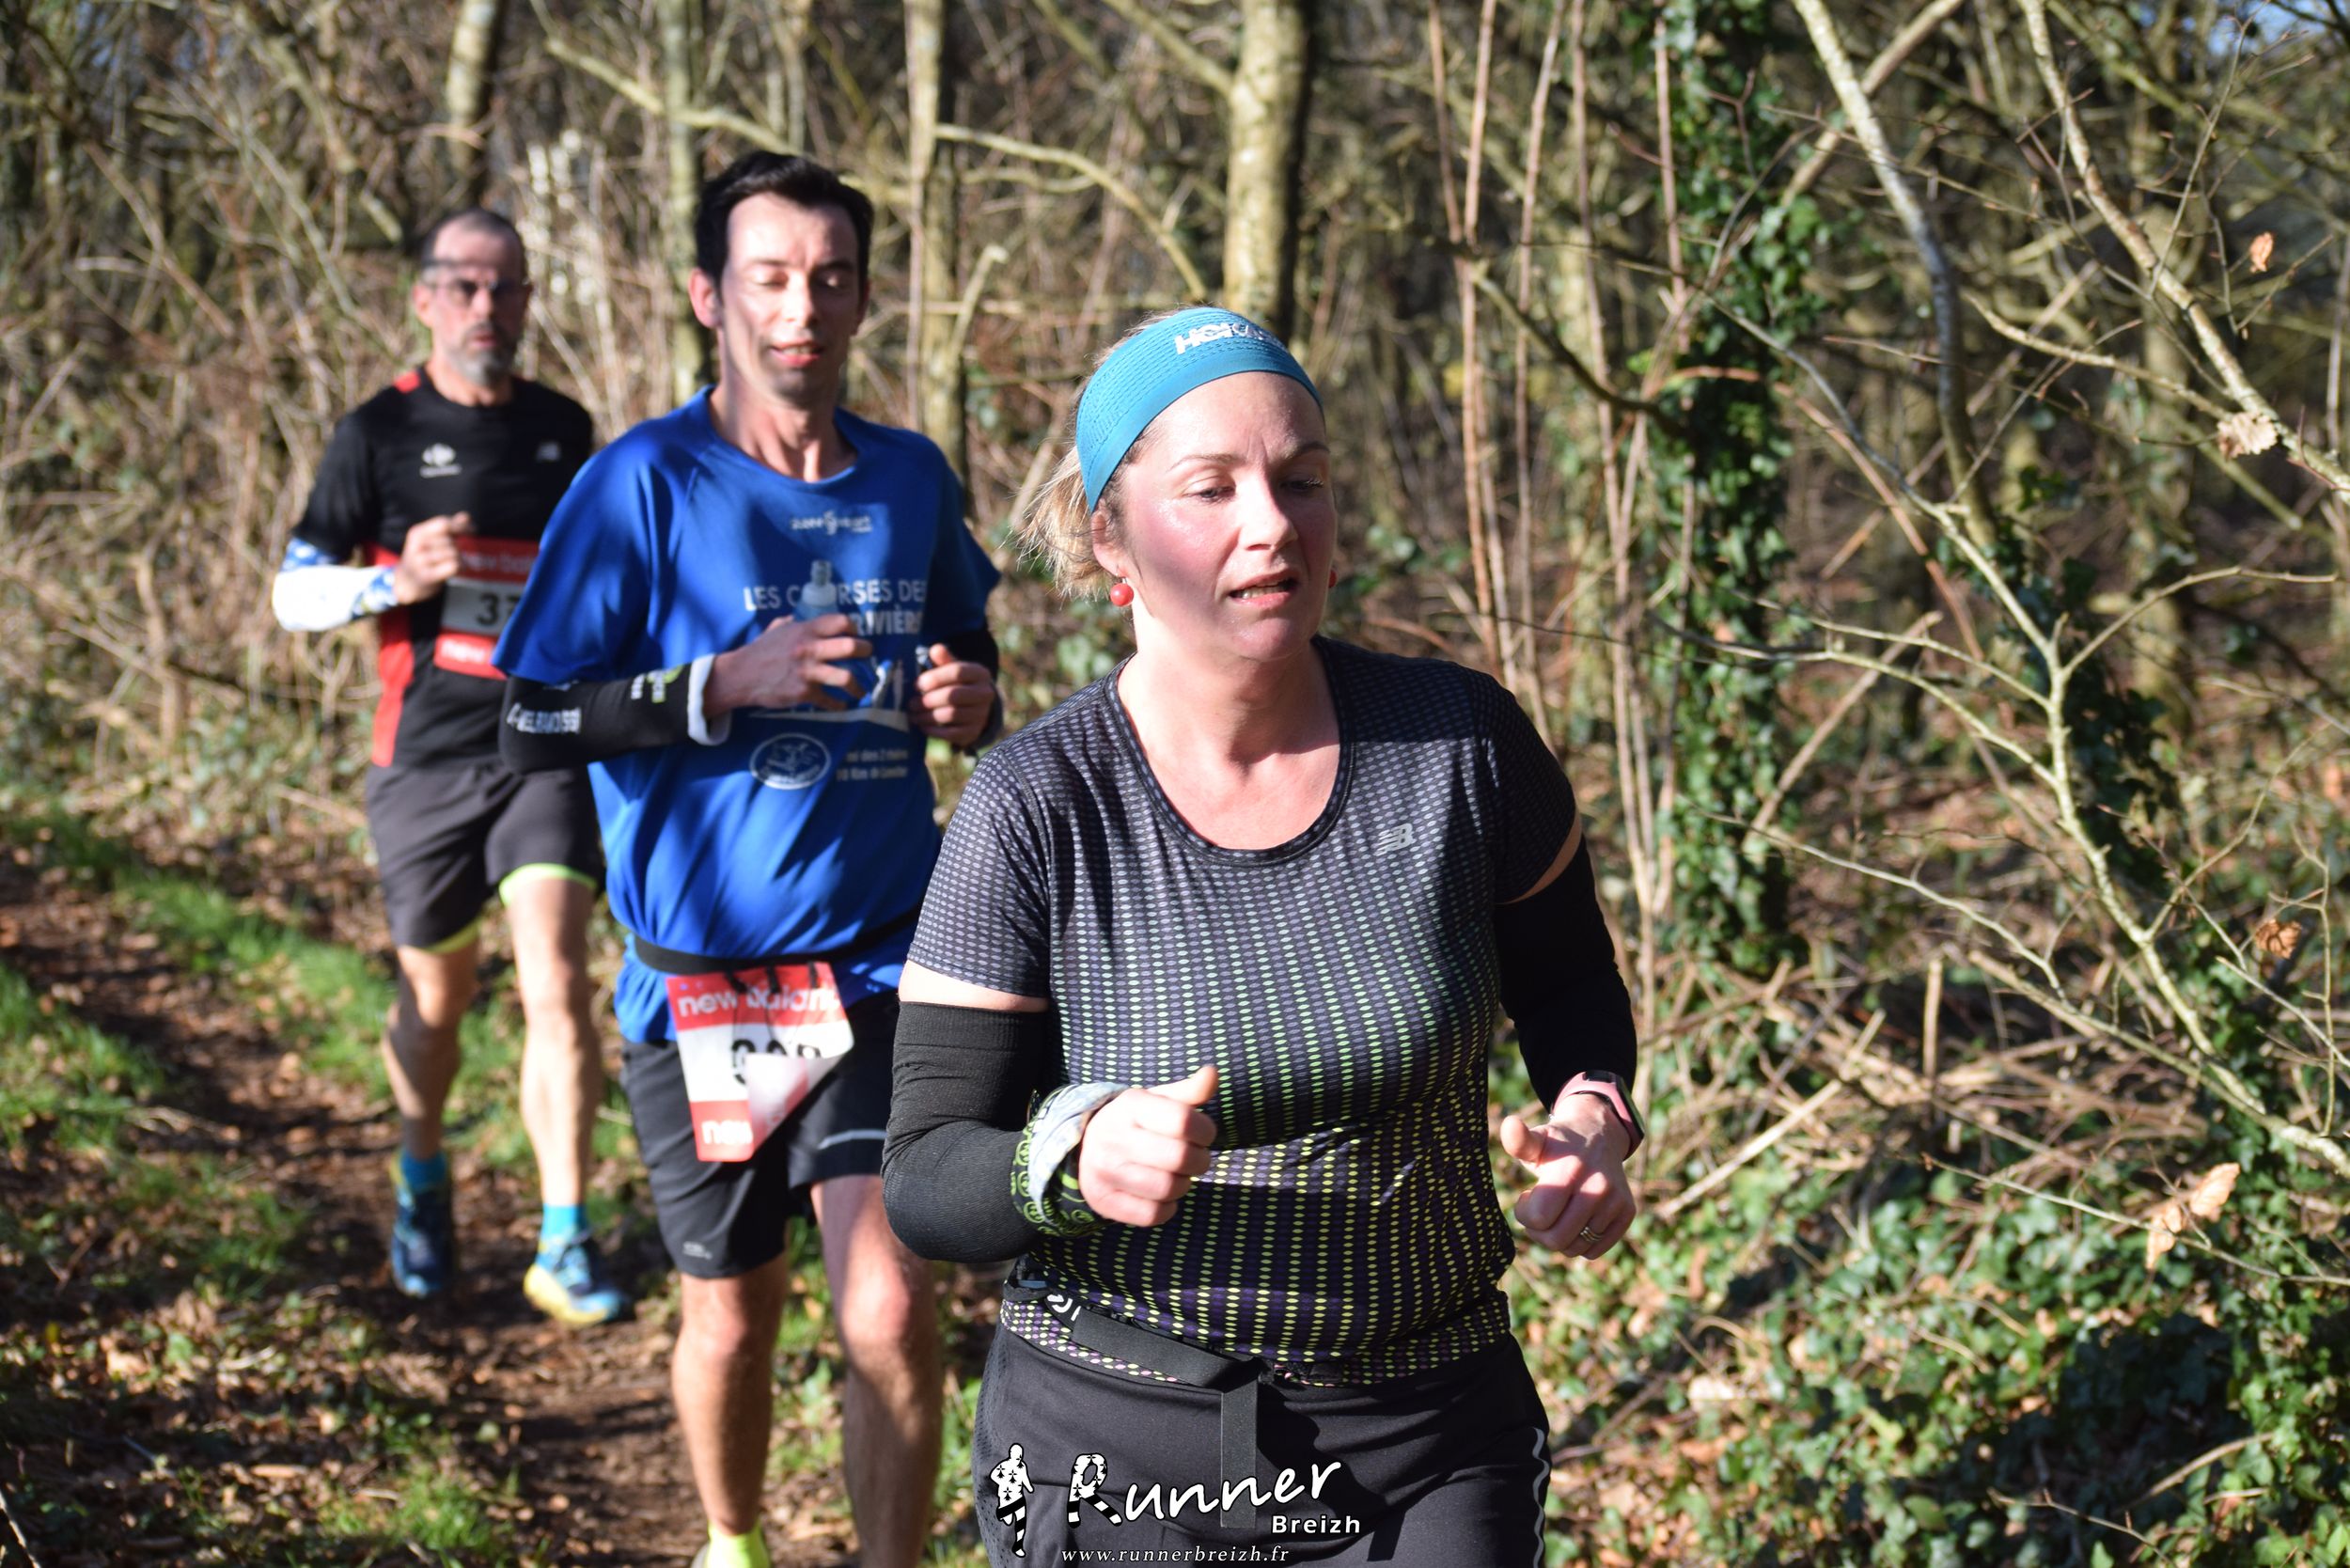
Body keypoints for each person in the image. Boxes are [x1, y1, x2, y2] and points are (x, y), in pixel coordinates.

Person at [883, 306, 1644, 1564]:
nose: (1273, 523)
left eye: (1303, 481)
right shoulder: (1037, 804)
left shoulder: (1460, 745)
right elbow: (922, 1173)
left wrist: (1592, 1118)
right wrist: (1069, 1165)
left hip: (1429, 1436)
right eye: (1212, 488)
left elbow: (1572, 990)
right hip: (1116, 1440)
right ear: (1109, 536)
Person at [490, 152, 1000, 1568]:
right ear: (709, 297)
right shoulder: (639, 483)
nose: (802, 308)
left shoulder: (909, 478)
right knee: (733, 1311)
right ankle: (733, 1538)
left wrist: (971, 700)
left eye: (830, 279)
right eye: (769, 278)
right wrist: (720, 685)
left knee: (890, 1304)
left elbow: (968, 653)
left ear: (863, 297)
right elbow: (529, 719)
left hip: (885, 963)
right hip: (706, 984)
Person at [273, 208, 628, 1325]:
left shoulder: (565, 430)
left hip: (540, 750)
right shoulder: (375, 432)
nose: (488, 307)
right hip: (422, 759)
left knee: (556, 979)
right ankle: (420, 1171)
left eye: (507, 286)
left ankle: (563, 1237)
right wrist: (392, 583)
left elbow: (608, 582)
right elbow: (292, 592)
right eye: (466, 286)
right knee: (438, 994)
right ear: (425, 298)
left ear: (527, 300)